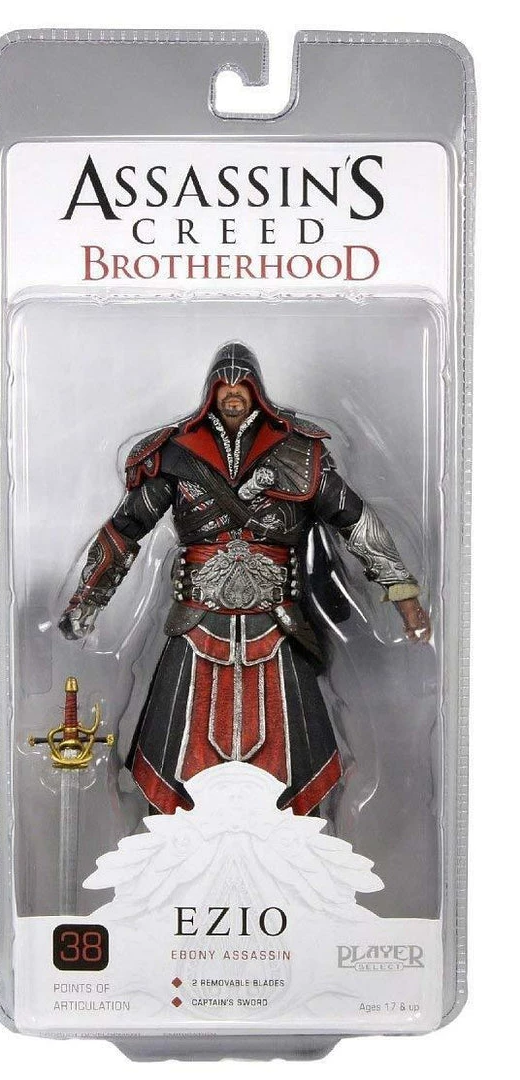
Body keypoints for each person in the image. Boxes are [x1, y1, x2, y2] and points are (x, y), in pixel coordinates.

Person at [59, 342, 430, 815]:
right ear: (211, 391)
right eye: (224, 384)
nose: (233, 392)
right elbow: (126, 527)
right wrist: (87, 601)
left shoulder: (301, 451)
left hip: (277, 622)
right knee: (179, 750)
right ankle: (177, 840)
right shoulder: (174, 453)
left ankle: (291, 840)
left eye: (242, 383)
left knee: (291, 756)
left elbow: (356, 523)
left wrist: (405, 596)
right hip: (196, 621)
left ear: (257, 389)